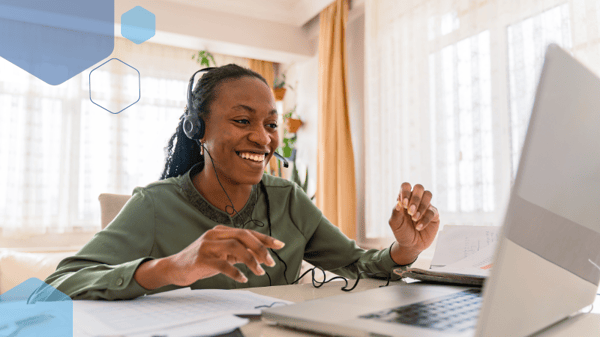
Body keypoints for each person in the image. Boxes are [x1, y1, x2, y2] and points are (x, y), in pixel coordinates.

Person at [42, 64, 440, 300]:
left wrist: (404, 250)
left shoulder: (288, 200)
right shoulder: (154, 206)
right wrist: (171, 268)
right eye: (242, 121)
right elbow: (56, 285)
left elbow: (359, 265)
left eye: (270, 125)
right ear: (198, 129)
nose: (263, 139)